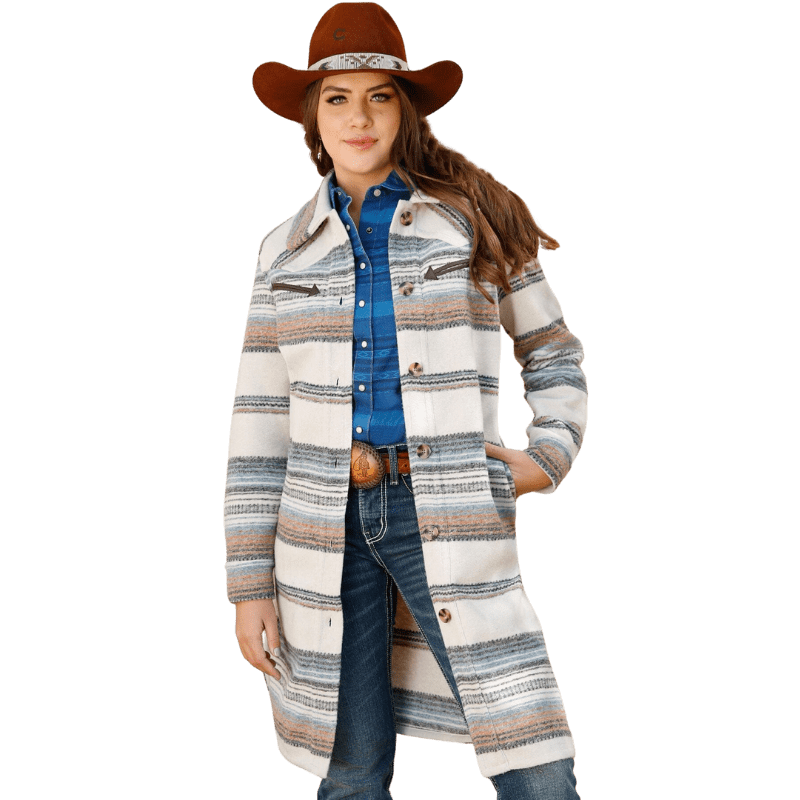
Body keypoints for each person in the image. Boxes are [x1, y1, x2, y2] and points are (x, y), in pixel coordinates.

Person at [223, 4, 588, 798]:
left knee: (530, 754)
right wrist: (249, 586)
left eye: (379, 97)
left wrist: (548, 454)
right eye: (338, 99)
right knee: (350, 769)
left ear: (406, 110)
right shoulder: (281, 252)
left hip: (448, 503)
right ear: (313, 119)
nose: (358, 118)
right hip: (321, 527)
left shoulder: (473, 222)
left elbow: (552, 349)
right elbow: (259, 429)